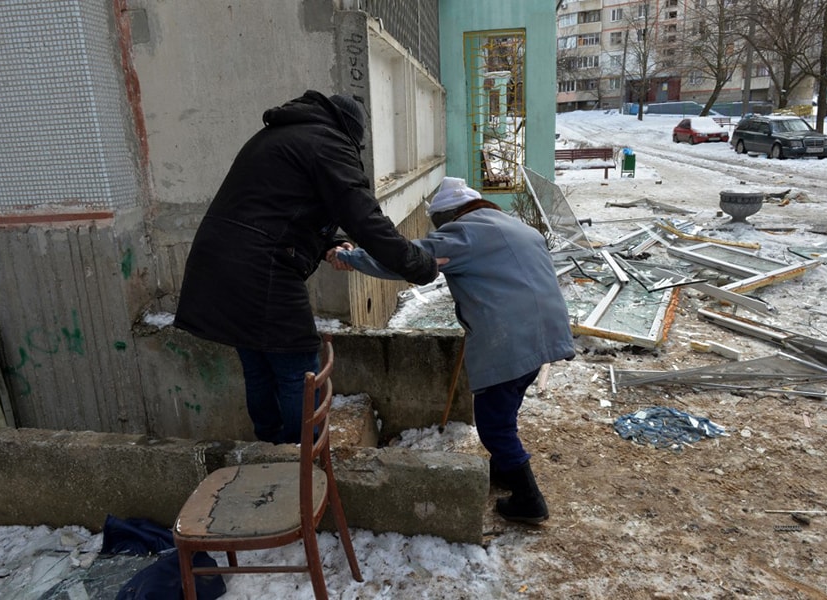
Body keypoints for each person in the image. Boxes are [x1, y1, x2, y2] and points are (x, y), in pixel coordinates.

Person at [174, 90, 439, 444]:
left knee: (257, 363)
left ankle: (270, 448)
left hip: (219, 262)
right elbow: (366, 219)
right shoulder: (328, 142)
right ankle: (301, 455)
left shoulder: (281, 135)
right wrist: (420, 266)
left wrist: (328, 241)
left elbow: (279, 207)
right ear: (352, 135)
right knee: (298, 365)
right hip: (261, 268)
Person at [331, 176, 575, 524]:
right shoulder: (515, 227)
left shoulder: (465, 233)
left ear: (449, 217)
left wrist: (353, 258)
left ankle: (528, 500)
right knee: (506, 409)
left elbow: (408, 260)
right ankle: (505, 470)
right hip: (544, 332)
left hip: (510, 339)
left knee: (494, 425)